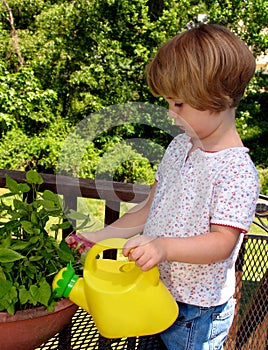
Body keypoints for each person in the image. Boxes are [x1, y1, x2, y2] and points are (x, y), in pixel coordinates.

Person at [67, 24, 260, 350]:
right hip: (154, 289)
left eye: (179, 105)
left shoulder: (237, 171)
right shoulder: (178, 148)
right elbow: (148, 209)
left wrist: (163, 247)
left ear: (218, 95)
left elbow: (222, 243)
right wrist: (98, 236)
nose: (169, 113)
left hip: (195, 312)